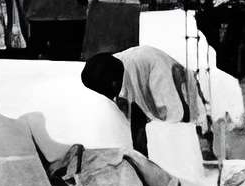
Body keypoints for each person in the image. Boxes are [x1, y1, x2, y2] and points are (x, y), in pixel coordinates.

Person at [81, 44, 210, 156]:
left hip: (183, 105)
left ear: (115, 84)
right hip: (150, 107)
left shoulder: (157, 69)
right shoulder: (110, 67)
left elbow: (174, 118)